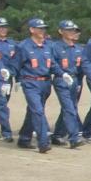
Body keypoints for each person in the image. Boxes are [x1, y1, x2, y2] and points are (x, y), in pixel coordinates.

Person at [15, 17, 56, 153]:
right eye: (39, 28)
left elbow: (53, 64)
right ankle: (43, 141)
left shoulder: (48, 46)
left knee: (33, 111)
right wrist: (14, 79)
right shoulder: (23, 46)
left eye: (44, 28)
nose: (42, 31)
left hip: (45, 82)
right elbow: (15, 65)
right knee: (38, 111)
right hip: (30, 81)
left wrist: (63, 74)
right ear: (32, 30)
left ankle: (24, 138)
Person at [50, 20, 87, 148]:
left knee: (70, 108)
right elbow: (52, 63)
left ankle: (57, 135)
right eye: (69, 30)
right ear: (61, 31)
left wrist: (83, 80)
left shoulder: (78, 49)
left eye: (73, 30)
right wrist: (61, 73)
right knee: (69, 108)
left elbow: (83, 65)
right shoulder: (55, 47)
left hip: (74, 80)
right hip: (61, 80)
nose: (72, 33)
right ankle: (74, 138)